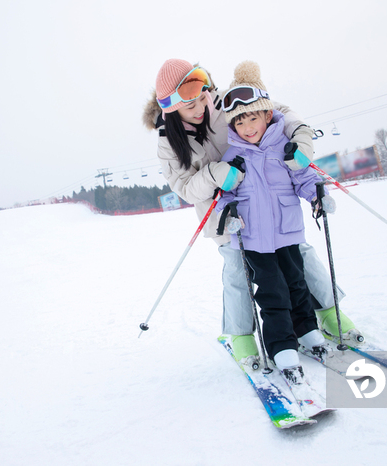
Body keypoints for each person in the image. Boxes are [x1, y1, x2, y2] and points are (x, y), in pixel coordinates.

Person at [142, 59, 359, 363]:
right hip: (224, 213)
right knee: (236, 269)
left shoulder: (227, 101)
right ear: (171, 107)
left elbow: (280, 112)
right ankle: (242, 335)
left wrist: (301, 135)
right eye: (189, 104)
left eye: (201, 95)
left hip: (267, 201)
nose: (199, 106)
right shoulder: (168, 142)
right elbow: (185, 188)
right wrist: (216, 173)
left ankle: (328, 312)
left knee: (300, 256)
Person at [216, 60, 332, 382]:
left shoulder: (284, 148)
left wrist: (316, 196)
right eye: (240, 123)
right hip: (253, 240)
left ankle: (307, 331)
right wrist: (229, 214)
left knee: (297, 284)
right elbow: (223, 196)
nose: (248, 128)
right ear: (233, 127)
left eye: (253, 118)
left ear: (267, 116)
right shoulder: (233, 158)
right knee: (272, 292)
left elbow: (303, 178)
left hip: (288, 233)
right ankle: (282, 347)